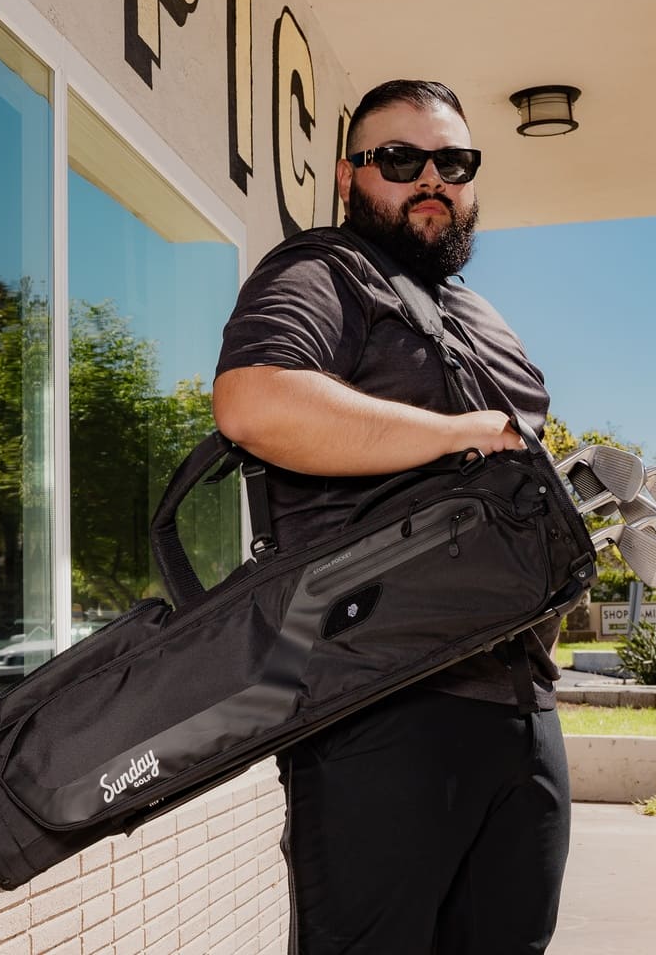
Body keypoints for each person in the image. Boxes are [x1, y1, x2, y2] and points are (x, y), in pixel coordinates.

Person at [213, 80, 570, 954]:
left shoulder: (486, 319)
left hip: (519, 709)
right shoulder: (320, 272)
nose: (431, 180)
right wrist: (464, 436)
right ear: (350, 175)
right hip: (379, 709)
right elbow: (255, 403)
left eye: (453, 162)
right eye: (400, 160)